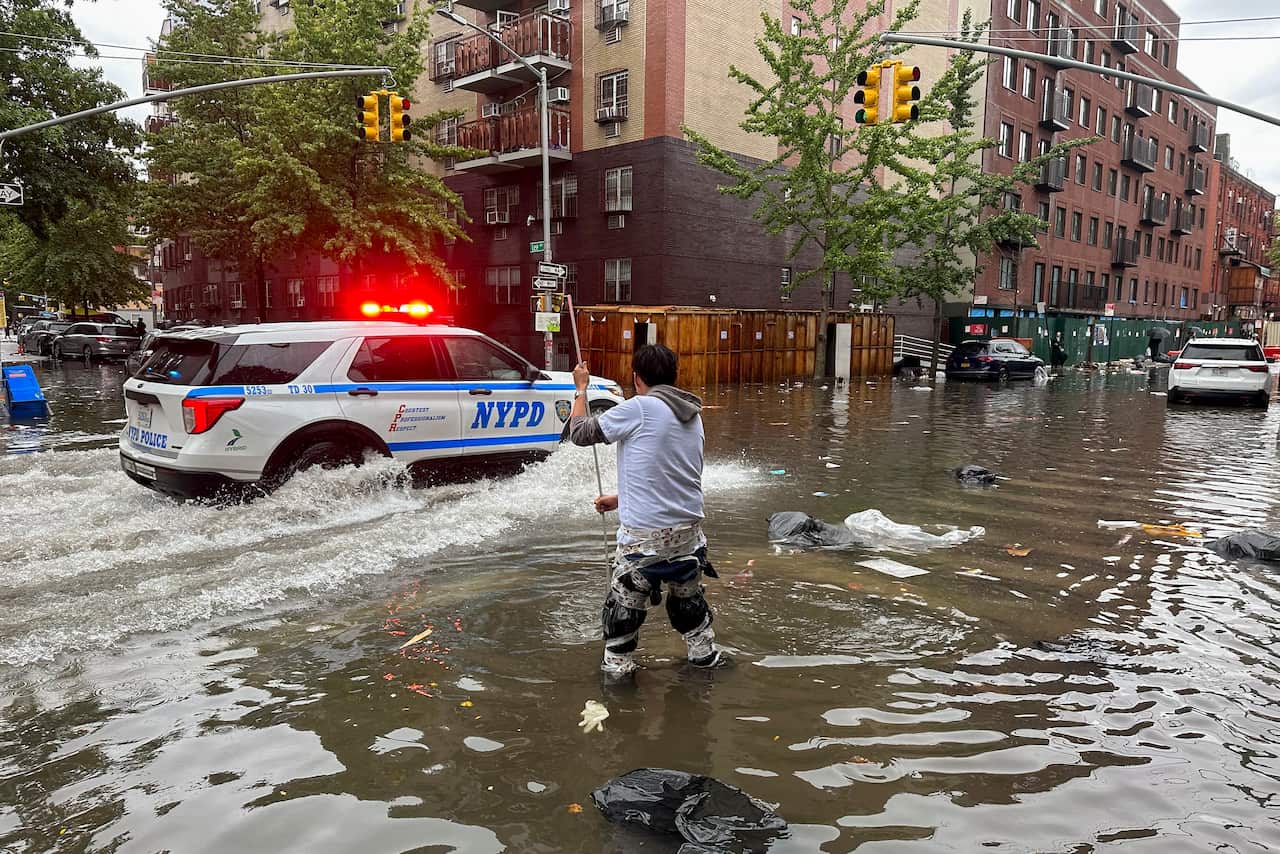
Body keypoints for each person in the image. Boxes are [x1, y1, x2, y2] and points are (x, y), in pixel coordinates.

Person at [570, 344, 726, 677]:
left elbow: (579, 434)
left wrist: (580, 390)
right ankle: (704, 662)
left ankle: (619, 681)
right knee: (689, 607)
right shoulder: (691, 413)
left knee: (622, 614)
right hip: (690, 539)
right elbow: (671, 476)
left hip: (645, 544)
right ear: (674, 376)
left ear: (637, 379)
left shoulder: (639, 407)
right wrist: (620, 499)